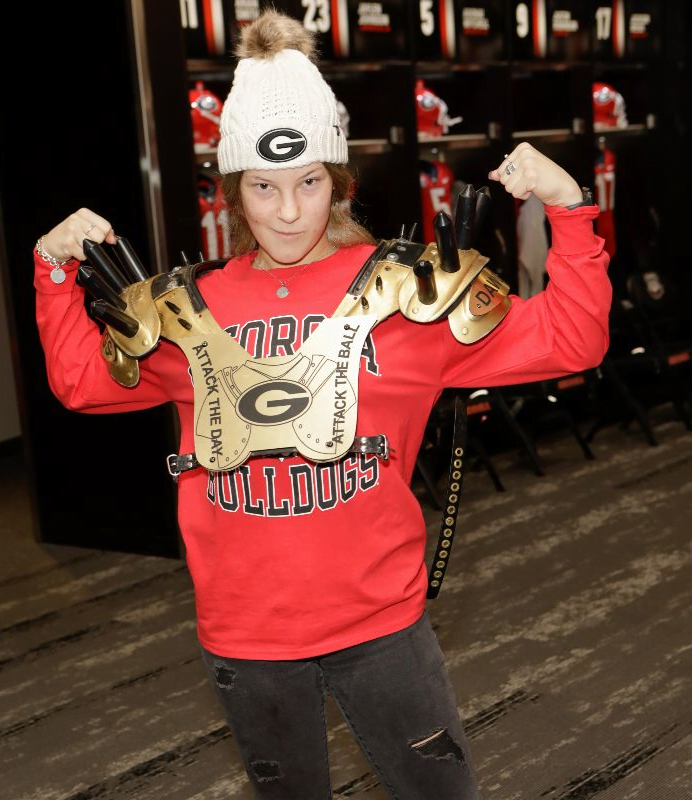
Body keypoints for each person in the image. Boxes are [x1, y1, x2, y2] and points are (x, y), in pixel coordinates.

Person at [33, 11, 611, 799]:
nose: (287, 211)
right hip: (245, 633)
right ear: (233, 192)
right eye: (262, 187)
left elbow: (573, 338)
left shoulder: (407, 297)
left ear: (338, 183)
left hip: (381, 626)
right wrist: (52, 269)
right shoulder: (184, 309)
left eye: (308, 183)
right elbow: (80, 381)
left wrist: (570, 207)